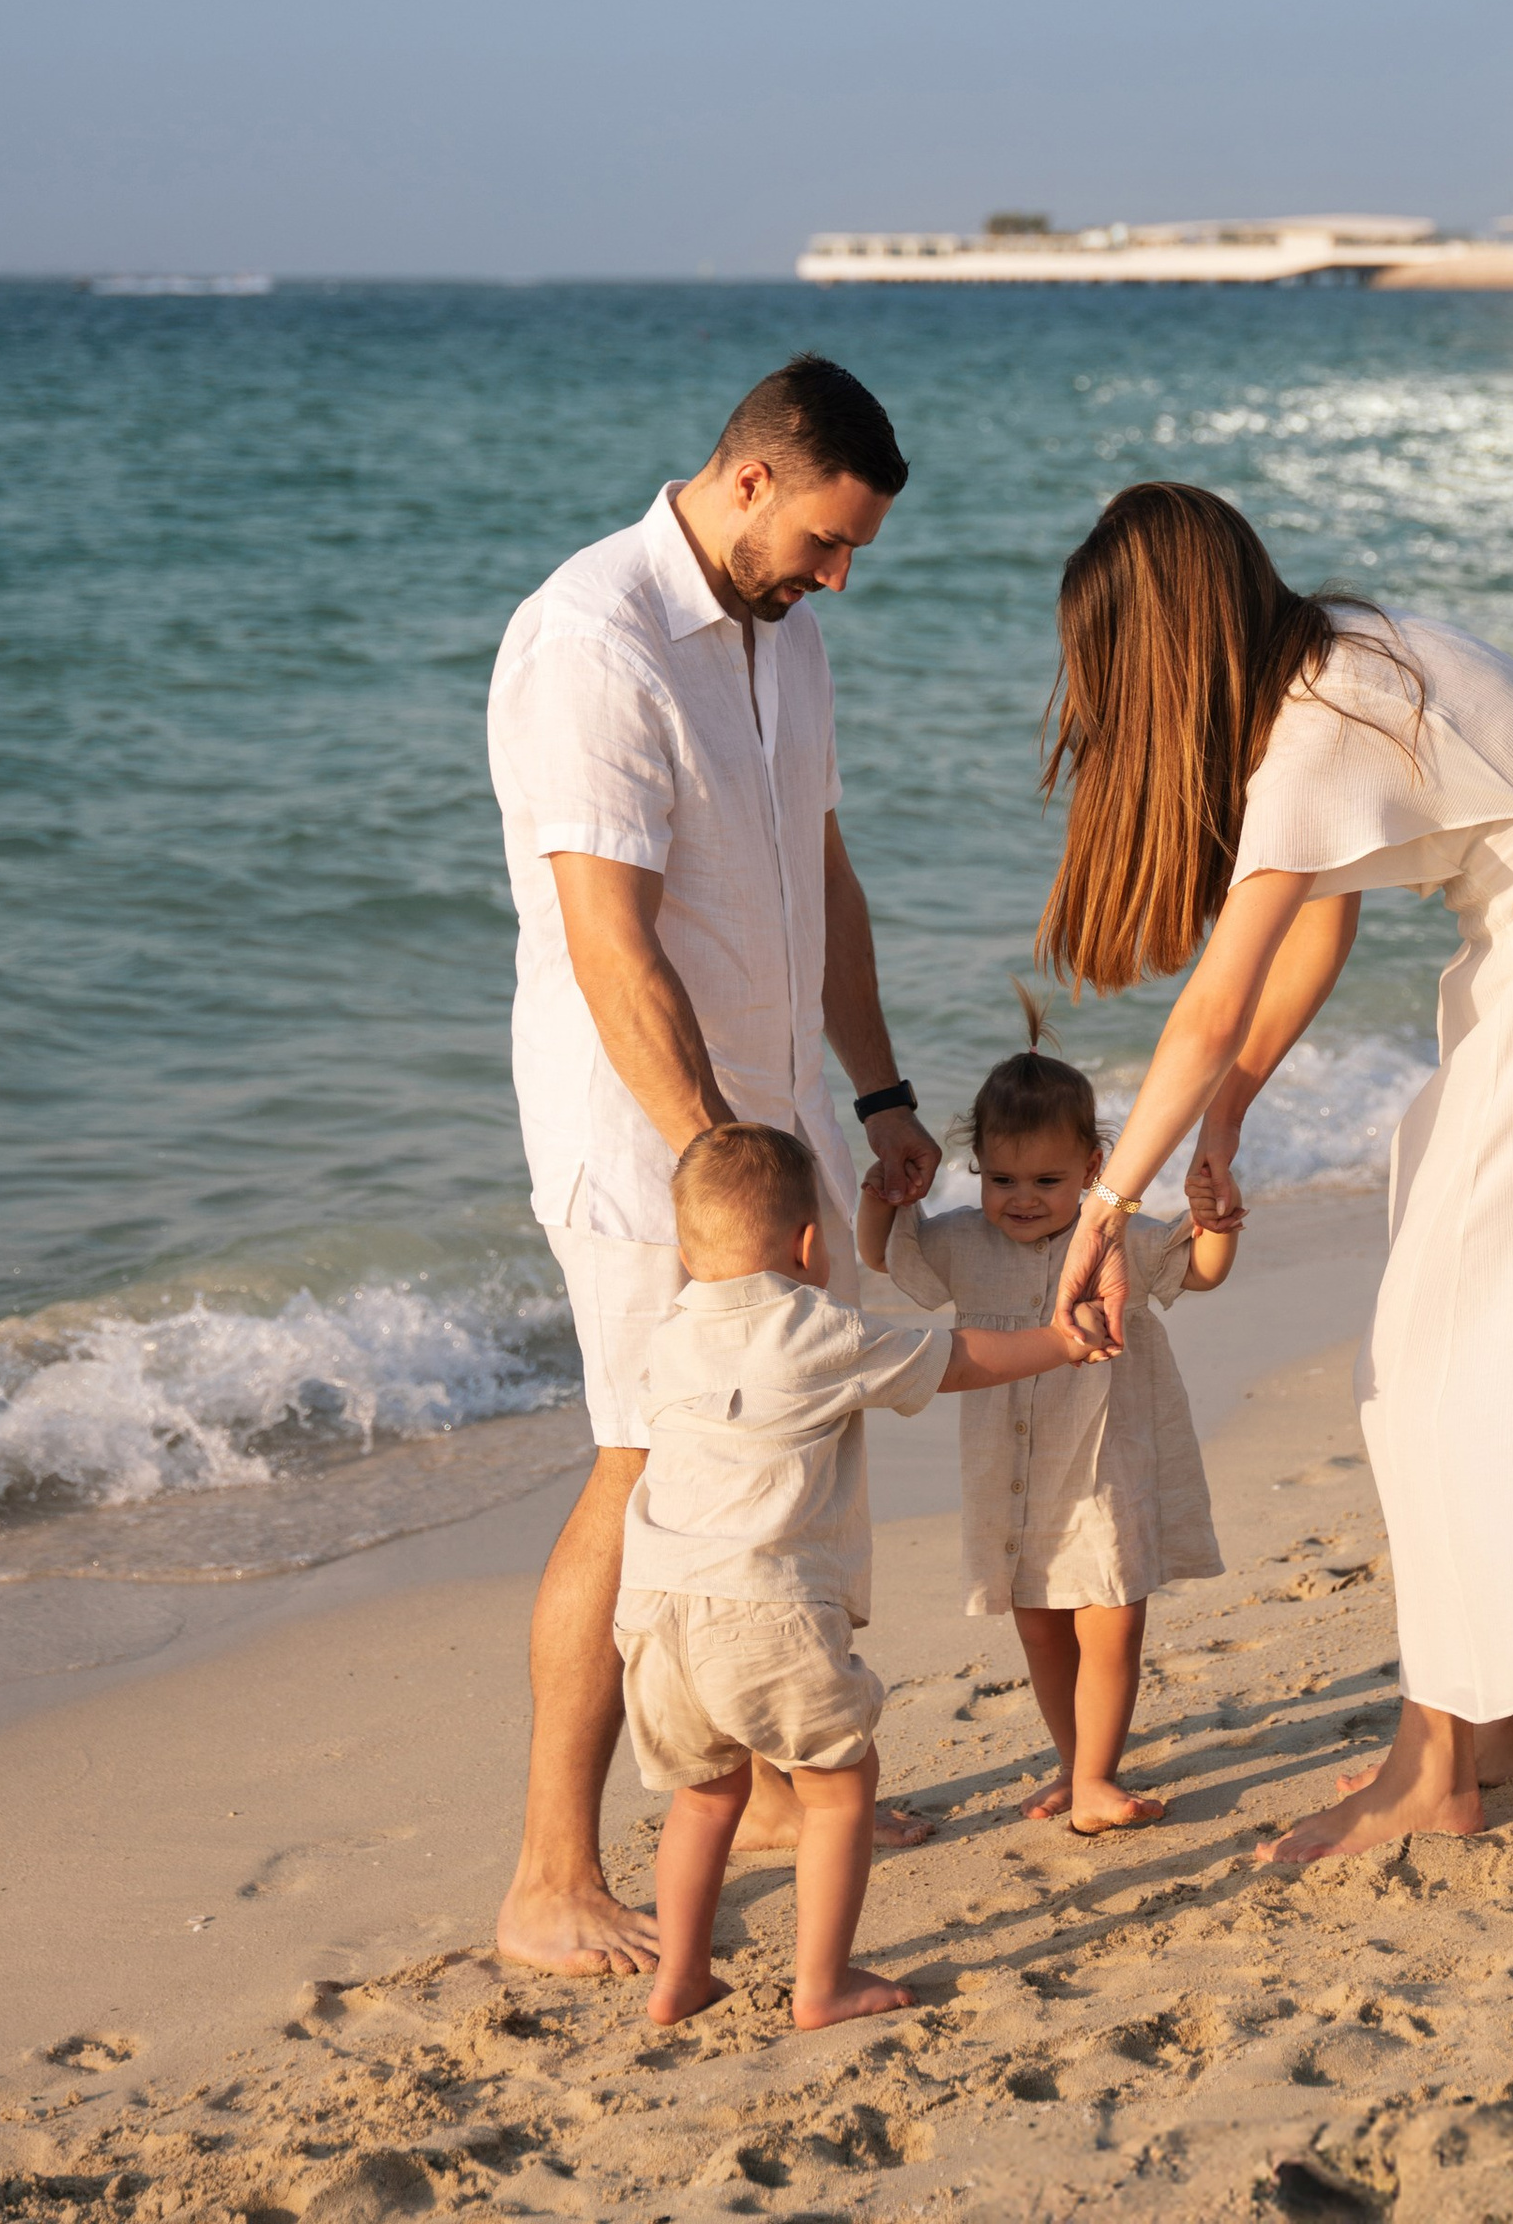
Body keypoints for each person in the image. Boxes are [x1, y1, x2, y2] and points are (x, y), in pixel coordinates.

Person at [1041, 482, 1513, 1867]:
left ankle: (1434, 1765)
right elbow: (1312, 942)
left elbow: (1212, 1003)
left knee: (1430, 1365)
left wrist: (1107, 1204)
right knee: (1464, 1355)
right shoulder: (1336, 664)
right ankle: (1499, 1723)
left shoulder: (1319, 725)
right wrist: (1227, 1120)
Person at [485, 353, 946, 1979]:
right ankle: (548, 1872)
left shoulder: (789, 639)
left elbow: (820, 869)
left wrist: (875, 1090)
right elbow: (612, 946)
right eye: (826, 539)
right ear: (750, 476)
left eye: (853, 555)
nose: (835, 577)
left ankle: (757, 1787)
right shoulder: (592, 639)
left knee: (798, 1444)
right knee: (647, 1462)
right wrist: (711, 1172)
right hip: (648, 1137)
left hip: (779, 1112)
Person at [624, 1120, 1102, 2030]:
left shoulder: (668, 1337)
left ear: (687, 1249)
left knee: (705, 1792)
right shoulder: (812, 1328)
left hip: (652, 1612)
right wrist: (1060, 1342)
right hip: (764, 1606)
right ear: (810, 1246)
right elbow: (954, 1357)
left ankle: (679, 1974)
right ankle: (821, 1983)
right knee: (841, 1786)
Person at [861, 994, 1237, 1836]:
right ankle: (1077, 1765)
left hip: (1105, 1465)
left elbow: (1200, 1271)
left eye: (1046, 1180)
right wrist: (881, 1193)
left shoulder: (1118, 1236)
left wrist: (1216, 1219)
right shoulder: (964, 1239)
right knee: (1038, 1625)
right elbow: (887, 1254)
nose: (1021, 1199)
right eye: (1001, 1179)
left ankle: (1099, 1775)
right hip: (1015, 1479)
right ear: (977, 1171)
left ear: (1097, 1167)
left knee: (1111, 1618)